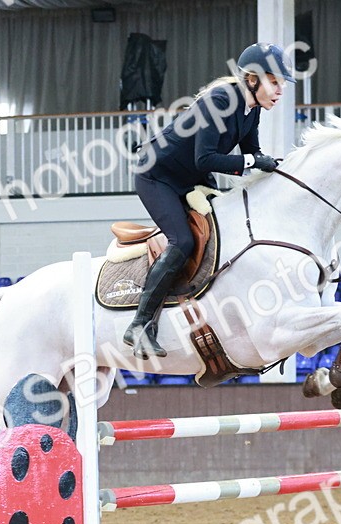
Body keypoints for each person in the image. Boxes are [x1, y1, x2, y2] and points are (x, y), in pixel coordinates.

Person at [123, 42, 294, 359]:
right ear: (253, 79)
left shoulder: (250, 109)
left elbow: (251, 153)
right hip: (157, 176)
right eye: (275, 82)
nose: (280, 90)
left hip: (190, 177)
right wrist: (253, 163)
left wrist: (279, 168)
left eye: (282, 84)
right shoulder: (220, 101)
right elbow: (206, 159)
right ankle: (140, 325)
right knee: (183, 241)